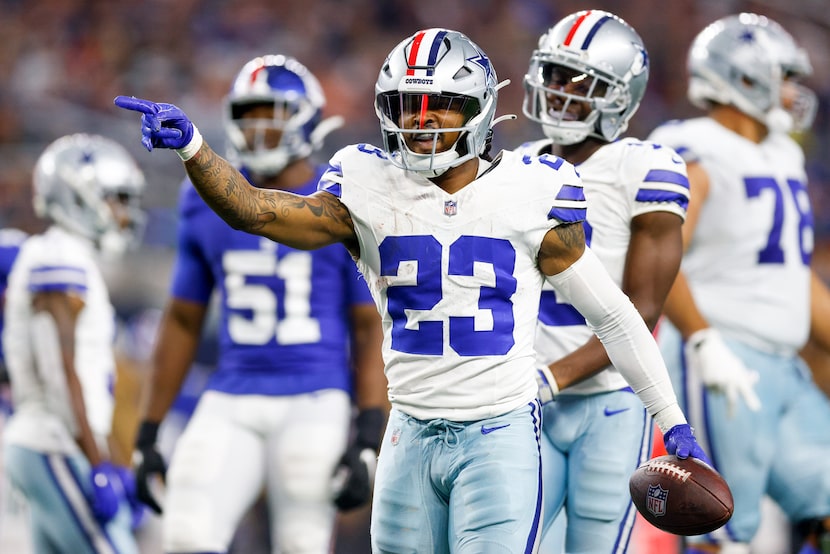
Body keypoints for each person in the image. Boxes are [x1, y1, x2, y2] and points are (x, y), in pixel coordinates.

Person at [115, 28, 708, 553]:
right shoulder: (368, 183)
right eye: (406, 105)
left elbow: (614, 315)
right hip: (408, 433)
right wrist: (195, 148)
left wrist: (670, 416)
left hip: (497, 434)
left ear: (477, 110)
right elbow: (260, 213)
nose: (420, 120)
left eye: (438, 106)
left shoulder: (533, 188)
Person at [129, 54, 387, 554]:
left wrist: (369, 430)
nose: (258, 130)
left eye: (271, 115)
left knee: (301, 543)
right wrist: (148, 431)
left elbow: (368, 326)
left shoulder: (341, 195)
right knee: (185, 535)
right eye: (247, 116)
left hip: (315, 394)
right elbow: (183, 318)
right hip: (234, 389)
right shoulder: (203, 197)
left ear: (306, 118)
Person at [647, 13, 830, 553]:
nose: (794, 91)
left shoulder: (782, 152)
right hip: (723, 358)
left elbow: (791, 277)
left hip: (783, 365)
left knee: (823, 501)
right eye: (785, 76)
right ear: (746, 77)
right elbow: (660, 257)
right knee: (719, 529)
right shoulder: (693, 145)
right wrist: (705, 341)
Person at [519, 10, 690, 553]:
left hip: (610, 401)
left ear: (618, 94)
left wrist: (553, 377)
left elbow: (640, 312)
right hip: (524, 399)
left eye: (578, 80)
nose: (558, 91)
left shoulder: (644, 168)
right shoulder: (512, 166)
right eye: (553, 75)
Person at [1, 133, 145, 554]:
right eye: (116, 198)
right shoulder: (58, 257)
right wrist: (99, 464)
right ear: (80, 196)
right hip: (52, 442)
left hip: (52, 442)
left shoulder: (67, 256)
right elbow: (60, 371)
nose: (124, 213)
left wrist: (112, 460)